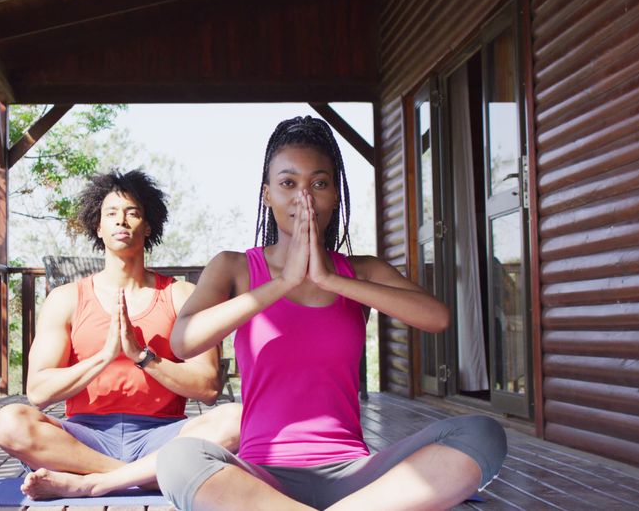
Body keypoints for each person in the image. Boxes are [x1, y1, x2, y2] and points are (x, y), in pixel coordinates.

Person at [156, 116, 507, 510]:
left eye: (318, 183)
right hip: (261, 482)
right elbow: (183, 343)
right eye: (288, 183)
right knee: (178, 460)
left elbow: (437, 318)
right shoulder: (234, 267)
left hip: (356, 479)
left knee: (483, 433)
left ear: (335, 195)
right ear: (267, 195)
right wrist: (284, 283)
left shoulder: (361, 272)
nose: (303, 196)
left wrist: (328, 278)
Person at [0, 169, 241, 500]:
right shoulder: (66, 299)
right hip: (84, 438)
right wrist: (104, 356)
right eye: (111, 214)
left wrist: (143, 357)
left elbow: (208, 387)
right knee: (9, 422)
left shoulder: (180, 295)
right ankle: (143, 475)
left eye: (132, 213)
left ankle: (92, 481)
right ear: (99, 226)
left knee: (237, 418)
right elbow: (38, 392)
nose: (121, 221)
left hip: (163, 434)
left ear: (148, 225)